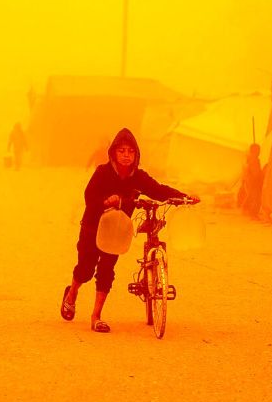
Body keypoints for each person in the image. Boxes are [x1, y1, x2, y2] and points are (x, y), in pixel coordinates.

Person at [60, 128, 198, 333]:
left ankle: (96, 316)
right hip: (92, 227)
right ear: (114, 153)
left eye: (131, 151)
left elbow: (158, 190)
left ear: (136, 155)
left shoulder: (138, 177)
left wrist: (184, 197)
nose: (126, 155)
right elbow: (89, 197)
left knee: (106, 270)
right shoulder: (102, 173)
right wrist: (105, 201)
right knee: (86, 269)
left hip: (116, 230)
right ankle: (72, 293)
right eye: (122, 151)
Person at [237, 143, 264, 219]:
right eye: (258, 150)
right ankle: (253, 214)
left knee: (251, 196)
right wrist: (260, 177)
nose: (259, 152)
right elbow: (255, 172)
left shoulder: (250, 159)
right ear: (255, 151)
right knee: (255, 197)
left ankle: (245, 209)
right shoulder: (253, 160)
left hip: (250, 181)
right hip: (253, 182)